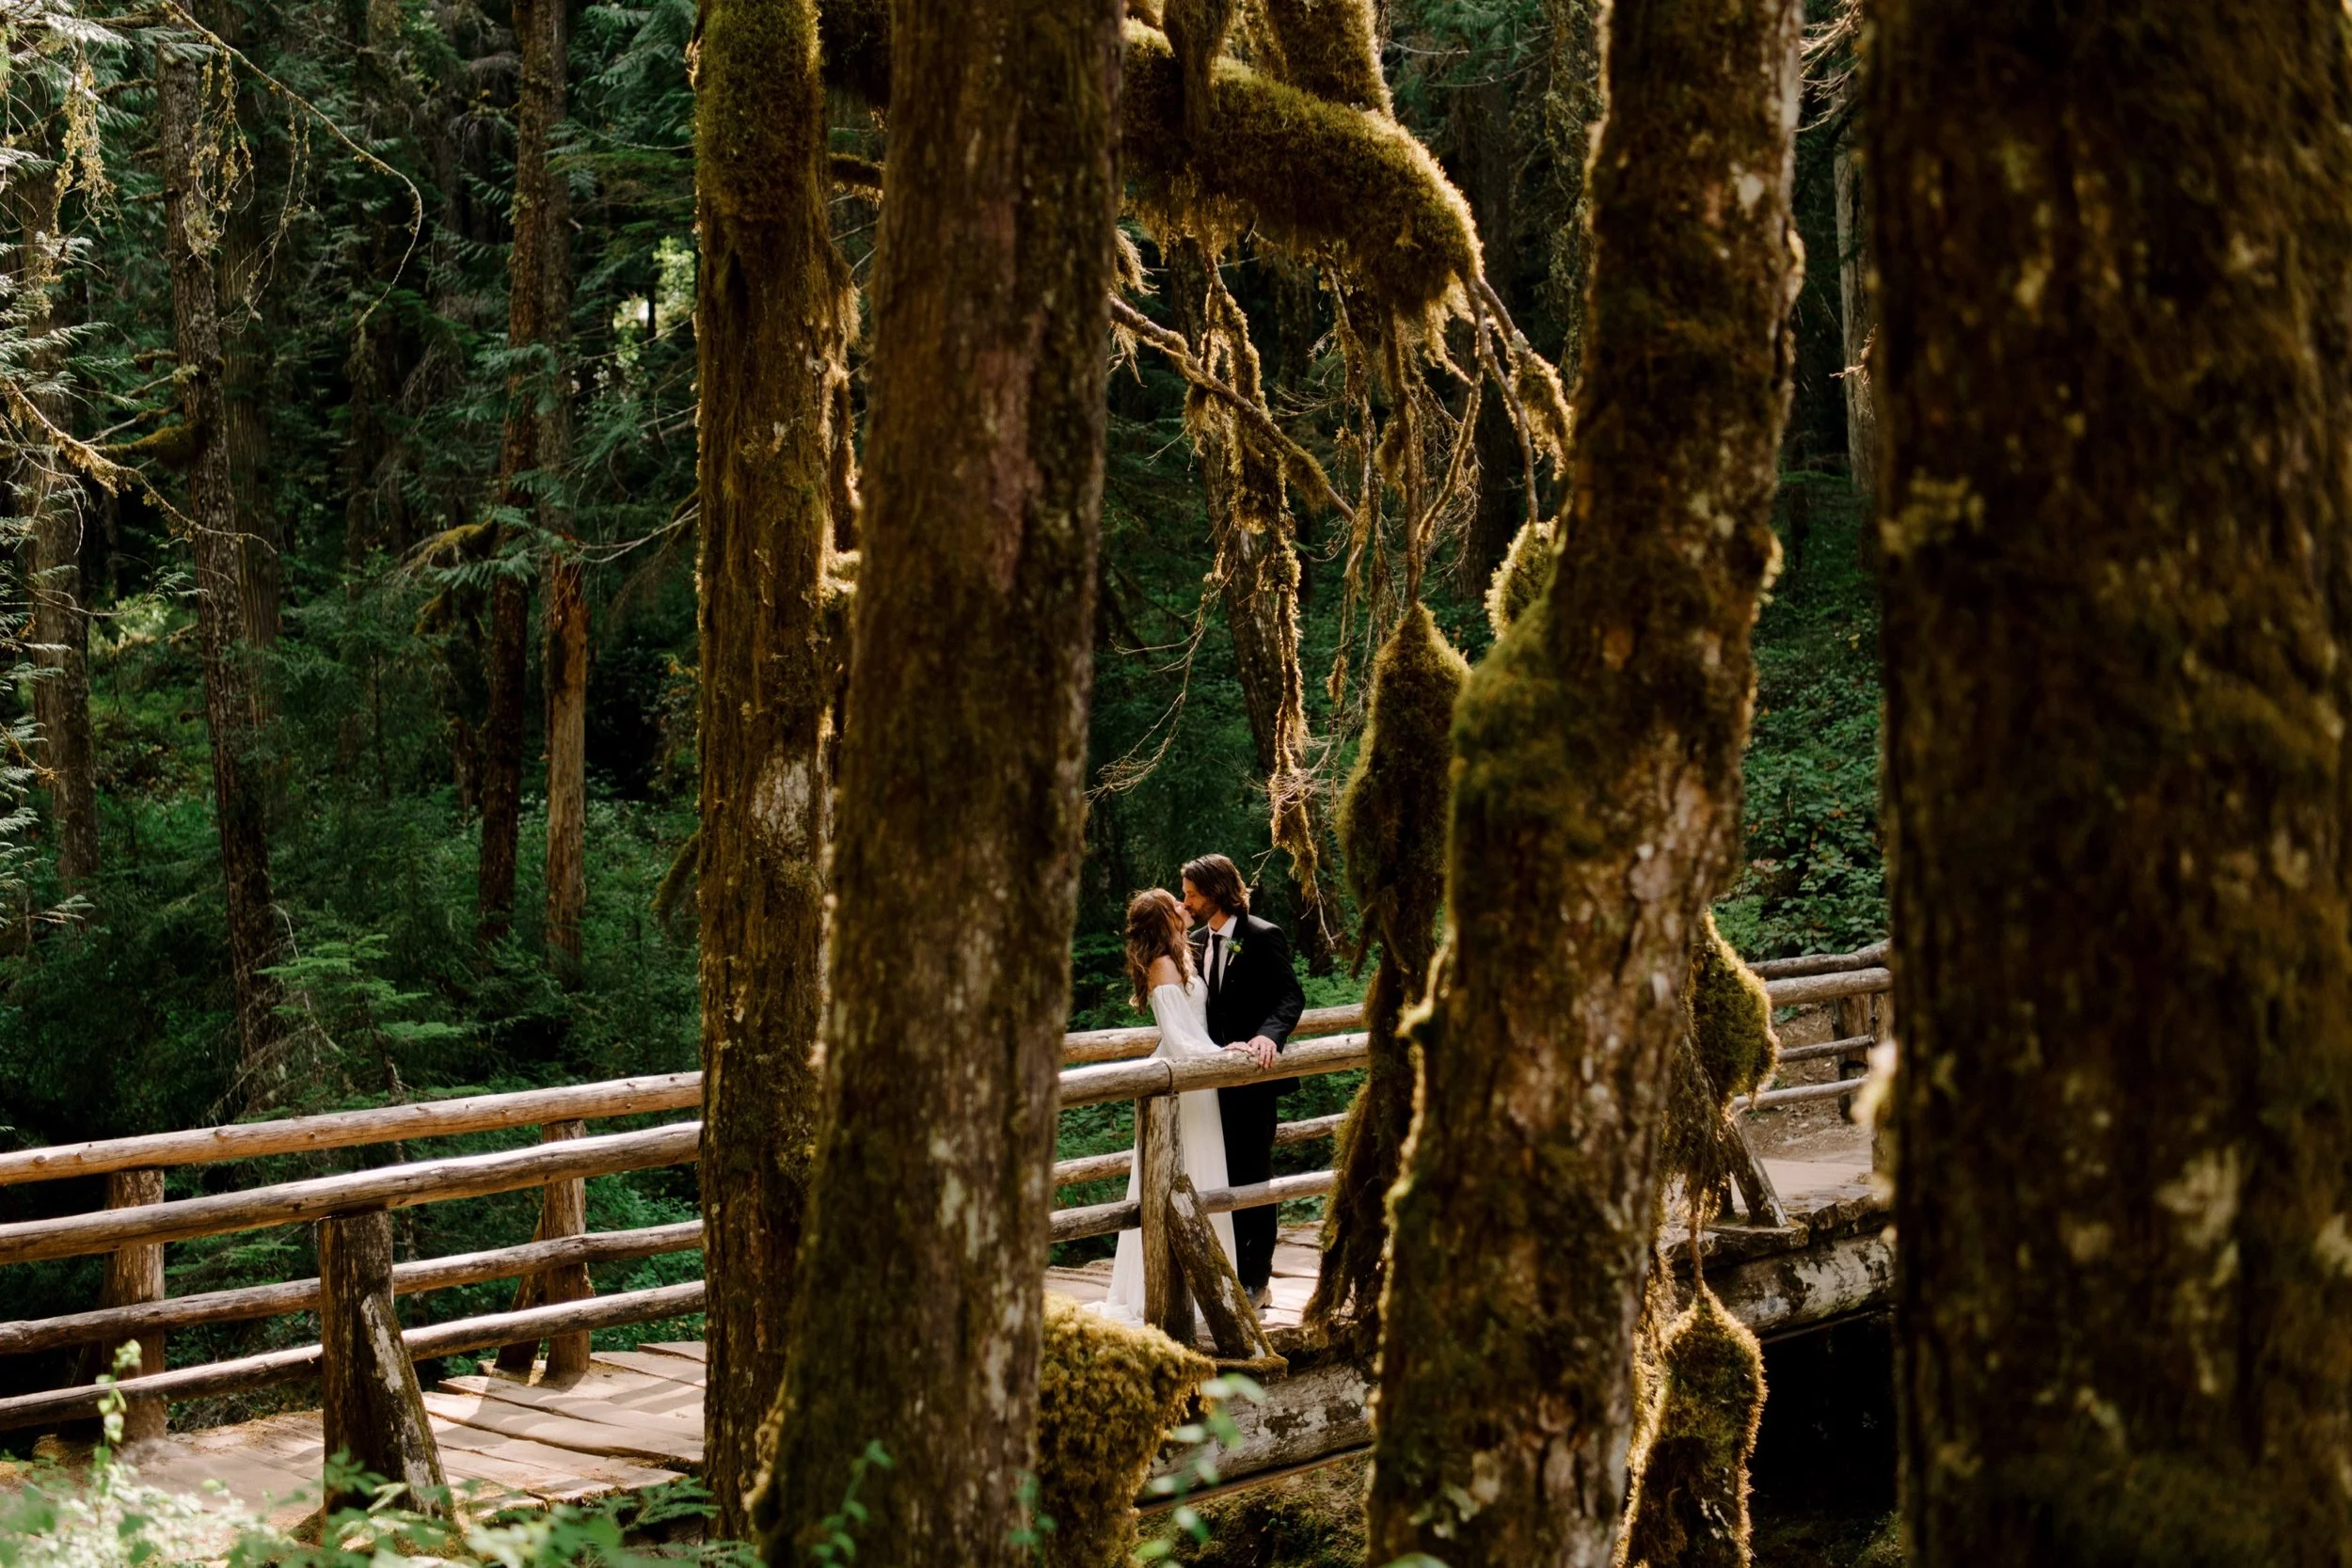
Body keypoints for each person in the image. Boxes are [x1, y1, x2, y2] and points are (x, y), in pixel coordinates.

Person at [1092, 888, 1240, 1324]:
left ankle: (1213, 1281)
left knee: (1203, 1169)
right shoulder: (1161, 965)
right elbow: (1180, 1036)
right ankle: (1171, 1291)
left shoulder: (1182, 955)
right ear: (1163, 919)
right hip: (1183, 1078)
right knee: (1181, 1171)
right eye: (1176, 903)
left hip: (1198, 1076)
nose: (1184, 905)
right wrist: (1222, 1056)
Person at [1181, 853, 1305, 1307]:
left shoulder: (1262, 936)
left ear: (1215, 893)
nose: (1186, 901)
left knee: (1254, 1178)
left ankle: (1258, 1279)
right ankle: (1229, 1271)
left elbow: (1291, 996)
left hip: (1253, 1081)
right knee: (1218, 1172)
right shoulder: (1193, 942)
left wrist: (1267, 1037)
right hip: (1209, 1083)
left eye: (1191, 894)